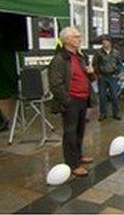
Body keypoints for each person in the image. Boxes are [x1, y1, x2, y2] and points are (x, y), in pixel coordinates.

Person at [48, 26, 95, 177]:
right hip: (71, 101)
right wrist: (67, 101)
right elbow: (55, 84)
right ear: (67, 40)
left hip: (83, 99)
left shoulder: (80, 57)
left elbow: (89, 78)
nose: (79, 39)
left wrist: (91, 73)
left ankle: (79, 156)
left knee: (80, 131)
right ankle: (72, 164)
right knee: (70, 133)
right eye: (76, 36)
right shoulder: (60, 59)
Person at [92, 36, 122, 121]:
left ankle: (116, 113)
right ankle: (103, 113)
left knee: (114, 96)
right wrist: (98, 74)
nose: (104, 43)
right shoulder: (98, 53)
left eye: (106, 42)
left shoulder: (116, 53)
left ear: (110, 42)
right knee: (102, 96)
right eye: (103, 42)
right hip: (102, 77)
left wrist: (117, 73)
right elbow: (95, 64)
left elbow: (120, 64)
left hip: (112, 76)